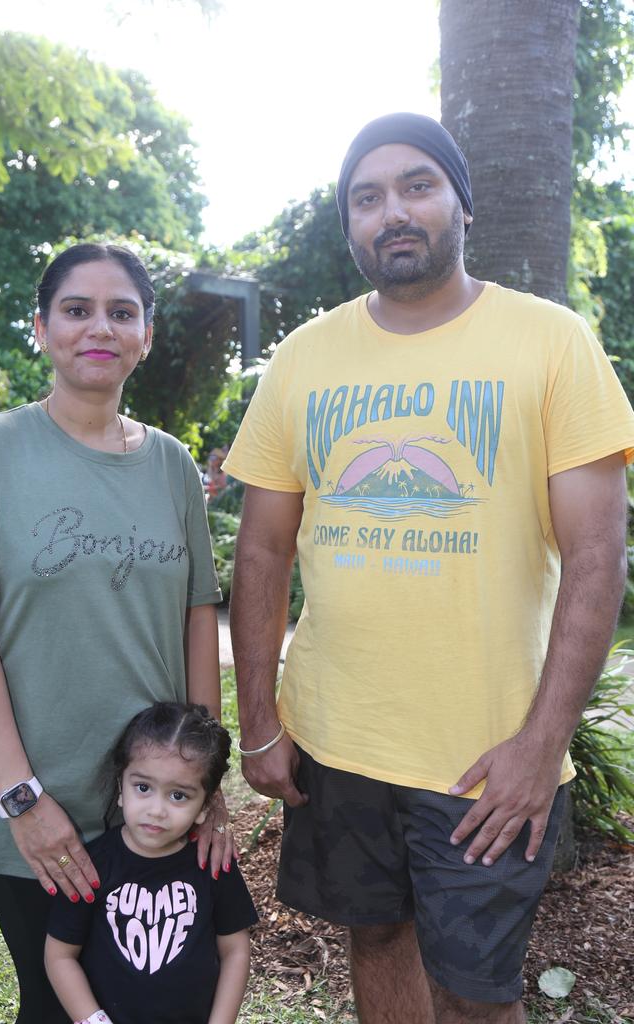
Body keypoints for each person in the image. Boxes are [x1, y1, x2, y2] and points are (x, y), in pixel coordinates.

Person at [223, 113, 634, 1024]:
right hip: (338, 737)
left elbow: (599, 560)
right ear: (351, 227)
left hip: (485, 758)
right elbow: (260, 550)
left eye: (417, 186)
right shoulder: (305, 358)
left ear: (461, 202)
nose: (393, 212)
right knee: (375, 939)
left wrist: (542, 745)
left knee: (476, 992)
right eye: (366, 199)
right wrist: (259, 723)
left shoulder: (551, 342)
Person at [0, 243, 234, 1024]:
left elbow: (197, 623)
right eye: (77, 310)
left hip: (154, 803)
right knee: (61, 1005)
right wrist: (23, 798)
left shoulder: (173, 466)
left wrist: (207, 784)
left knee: (153, 997)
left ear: (146, 334)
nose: (100, 327)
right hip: (37, 796)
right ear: (42, 328)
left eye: (122, 312)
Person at [45, 702, 257, 1024]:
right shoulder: (91, 864)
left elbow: (236, 951)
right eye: (143, 788)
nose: (156, 810)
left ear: (205, 806)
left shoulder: (212, 862)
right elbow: (60, 955)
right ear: (120, 788)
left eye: (178, 796)